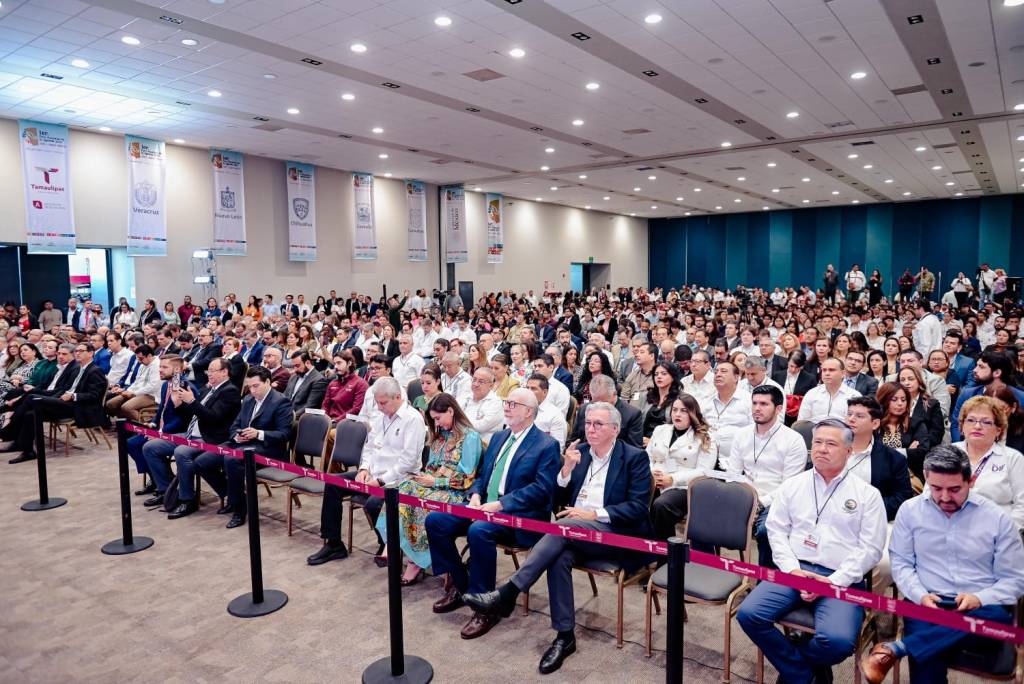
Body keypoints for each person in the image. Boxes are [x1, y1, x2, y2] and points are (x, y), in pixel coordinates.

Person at [462, 402, 653, 674]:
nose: (590, 429)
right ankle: (565, 636)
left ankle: (508, 592)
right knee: (558, 556)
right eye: (588, 423)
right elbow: (556, 499)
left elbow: (638, 507)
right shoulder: (580, 452)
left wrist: (593, 514)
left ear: (615, 429)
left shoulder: (634, 457)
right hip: (575, 534)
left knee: (562, 529)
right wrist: (565, 472)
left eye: (598, 424)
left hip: (617, 534)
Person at [737, 419, 887, 684]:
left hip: (840, 578)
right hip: (795, 570)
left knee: (838, 641)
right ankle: (802, 674)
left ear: (849, 451)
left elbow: (871, 549)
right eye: (817, 442)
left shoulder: (867, 495)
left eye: (831, 444)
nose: (822, 449)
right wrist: (792, 570)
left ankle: (798, 667)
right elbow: (776, 531)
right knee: (749, 615)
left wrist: (833, 581)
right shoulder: (793, 485)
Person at [861, 445, 1024, 684]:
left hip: (980, 606)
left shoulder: (997, 519)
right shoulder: (910, 511)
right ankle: (914, 645)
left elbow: (1014, 580)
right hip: (927, 601)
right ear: (926, 477)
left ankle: (898, 648)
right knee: (928, 661)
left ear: (971, 481)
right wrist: (920, 595)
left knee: (997, 617)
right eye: (936, 488)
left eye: (955, 489)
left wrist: (979, 598)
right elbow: (902, 564)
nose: (945, 497)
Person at [424, 388, 560, 640]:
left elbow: (542, 490)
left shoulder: (546, 444)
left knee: (479, 530)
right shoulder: (499, 437)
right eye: (506, 402)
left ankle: (485, 607)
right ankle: (462, 586)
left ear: (529, 412)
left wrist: (501, 504)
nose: (506, 407)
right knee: (435, 521)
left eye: (513, 404)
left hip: (519, 515)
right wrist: (476, 494)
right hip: (485, 506)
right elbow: (482, 476)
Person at [307, 377, 426, 565]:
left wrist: (381, 481)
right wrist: (363, 469)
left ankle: (388, 543)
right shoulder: (381, 416)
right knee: (333, 483)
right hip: (373, 473)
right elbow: (370, 447)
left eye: (383, 403)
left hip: (400, 480)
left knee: (373, 503)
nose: (379, 407)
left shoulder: (413, 419)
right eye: (377, 402)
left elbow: (408, 461)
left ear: (397, 397)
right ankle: (334, 544)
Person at [373, 393, 482, 585]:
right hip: (432, 485)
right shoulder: (440, 436)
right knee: (403, 488)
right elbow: (431, 467)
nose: (436, 424)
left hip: (455, 492)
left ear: (451, 411)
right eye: (433, 420)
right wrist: (424, 478)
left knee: (419, 502)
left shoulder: (470, 437)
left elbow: (467, 478)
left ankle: (411, 559)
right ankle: (396, 546)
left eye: (438, 418)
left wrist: (435, 482)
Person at [141, 358, 242, 517]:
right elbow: (193, 415)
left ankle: (187, 500)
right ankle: (166, 491)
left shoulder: (230, 391)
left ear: (224, 372)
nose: (209, 374)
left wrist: (192, 401)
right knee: (150, 447)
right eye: (208, 370)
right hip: (190, 434)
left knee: (182, 452)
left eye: (213, 371)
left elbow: (213, 418)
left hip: (210, 437)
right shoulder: (209, 389)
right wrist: (180, 405)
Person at [200, 366, 294, 529]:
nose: (252, 390)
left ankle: (239, 509)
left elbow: (284, 435)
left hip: (268, 448)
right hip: (242, 443)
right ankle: (233, 497)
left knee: (231, 459)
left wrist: (258, 434)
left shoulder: (281, 402)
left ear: (268, 382)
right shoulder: (249, 399)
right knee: (203, 461)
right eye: (249, 386)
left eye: (256, 386)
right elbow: (235, 425)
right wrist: (236, 436)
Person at [726, 385, 808, 566]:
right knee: (702, 515)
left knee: (766, 531)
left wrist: (759, 503)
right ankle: (706, 567)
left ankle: (765, 579)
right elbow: (733, 474)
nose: (757, 408)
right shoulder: (741, 435)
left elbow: (789, 486)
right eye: (754, 403)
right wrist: (740, 499)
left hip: (775, 501)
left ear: (778, 409)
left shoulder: (793, 440)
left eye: (764, 404)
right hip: (744, 496)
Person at [4, 342, 107, 464]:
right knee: (30, 414)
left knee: (32, 398)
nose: (77, 353)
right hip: (65, 402)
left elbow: (94, 396)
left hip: (78, 407)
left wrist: (73, 396)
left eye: (81, 351)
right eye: (76, 351)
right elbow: (64, 389)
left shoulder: (95, 370)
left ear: (90, 353)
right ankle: (26, 450)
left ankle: (7, 431)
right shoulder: (79, 368)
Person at [646, 394, 718, 540]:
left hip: (684, 487)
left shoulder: (705, 437)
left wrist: (672, 479)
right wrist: (652, 473)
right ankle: (634, 547)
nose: (677, 414)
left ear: (693, 413)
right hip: (654, 481)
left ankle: (665, 551)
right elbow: (647, 457)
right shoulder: (661, 429)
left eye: (683, 411)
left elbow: (704, 472)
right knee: (631, 500)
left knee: (661, 505)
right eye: (675, 410)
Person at [951, 396, 1024, 530]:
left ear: (998, 430)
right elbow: (929, 496)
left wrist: (1007, 533)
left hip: (998, 531)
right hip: (951, 529)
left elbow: (1022, 505)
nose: (977, 426)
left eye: (986, 422)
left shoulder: (1013, 458)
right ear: (962, 426)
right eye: (971, 420)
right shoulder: (948, 453)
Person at [950, 351, 1024, 441]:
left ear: (997, 373)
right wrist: (965, 446)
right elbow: (956, 424)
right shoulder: (968, 394)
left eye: (981, 367)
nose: (975, 370)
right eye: (977, 365)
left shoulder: (1020, 398)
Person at [568, 373, 643, 448]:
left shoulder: (632, 415)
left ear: (614, 394)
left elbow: (635, 450)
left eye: (604, 402)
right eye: (595, 402)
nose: (599, 406)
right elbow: (573, 440)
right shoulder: (584, 409)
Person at [699, 361, 752, 460]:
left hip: (738, 459)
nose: (718, 374)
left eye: (723, 371)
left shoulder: (749, 400)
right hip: (707, 458)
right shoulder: (707, 401)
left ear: (736, 377)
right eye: (716, 372)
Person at [104, 344, 160, 423]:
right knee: (111, 404)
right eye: (138, 359)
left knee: (126, 407)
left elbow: (152, 386)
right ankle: (126, 423)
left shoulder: (157, 365)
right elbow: (136, 382)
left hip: (151, 395)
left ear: (149, 355)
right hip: (137, 392)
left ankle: (147, 426)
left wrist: (133, 393)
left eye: (141, 358)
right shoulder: (143, 364)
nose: (139, 361)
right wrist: (126, 391)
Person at [798, 358, 860, 424]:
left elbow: (857, 424)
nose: (827, 373)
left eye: (831, 370)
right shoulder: (812, 394)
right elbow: (801, 423)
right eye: (824, 370)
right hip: (814, 429)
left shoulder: (854, 396)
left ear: (843, 373)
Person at [459, 367, 504, 443]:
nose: (475, 384)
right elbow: (452, 416)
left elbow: (480, 427)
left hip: (483, 445)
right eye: (474, 380)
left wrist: (459, 419)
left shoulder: (496, 403)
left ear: (491, 386)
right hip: (460, 440)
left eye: (481, 382)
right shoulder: (465, 396)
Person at [642, 361, 681, 440]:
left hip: (665, 441)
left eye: (664, 374)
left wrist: (653, 442)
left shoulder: (679, 399)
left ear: (672, 377)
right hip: (642, 439)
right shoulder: (647, 395)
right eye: (656, 374)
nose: (659, 377)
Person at [283, 351, 328, 417]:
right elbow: (284, 397)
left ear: (307, 363)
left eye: (297, 366)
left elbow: (310, 406)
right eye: (294, 366)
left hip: (300, 417)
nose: (295, 369)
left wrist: (290, 417)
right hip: (286, 414)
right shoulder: (293, 377)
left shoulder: (319, 380)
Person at [619, 341, 656, 405]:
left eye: (642, 352)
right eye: (637, 352)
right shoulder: (632, 375)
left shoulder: (659, 376)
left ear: (652, 356)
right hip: (632, 410)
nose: (637, 355)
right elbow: (624, 398)